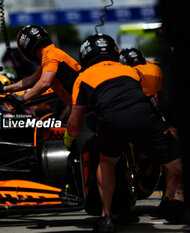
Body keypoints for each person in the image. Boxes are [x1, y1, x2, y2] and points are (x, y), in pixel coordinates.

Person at [63, 34, 183, 232]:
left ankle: (106, 217)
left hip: (112, 122)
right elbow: (148, 96)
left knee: (107, 163)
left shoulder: (82, 77)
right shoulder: (129, 70)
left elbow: (75, 123)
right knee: (176, 162)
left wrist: (68, 141)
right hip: (145, 118)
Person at [119, 47, 185, 222]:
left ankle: (173, 201)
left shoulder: (131, 74)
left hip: (164, 116)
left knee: (169, 159)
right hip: (170, 111)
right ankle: (169, 200)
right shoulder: (155, 66)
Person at [3, 24, 81, 107]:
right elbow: (30, 81)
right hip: (81, 106)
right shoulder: (52, 53)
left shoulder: (51, 56)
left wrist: (23, 98)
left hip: (88, 108)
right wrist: (4, 88)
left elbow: (45, 83)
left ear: (26, 49)